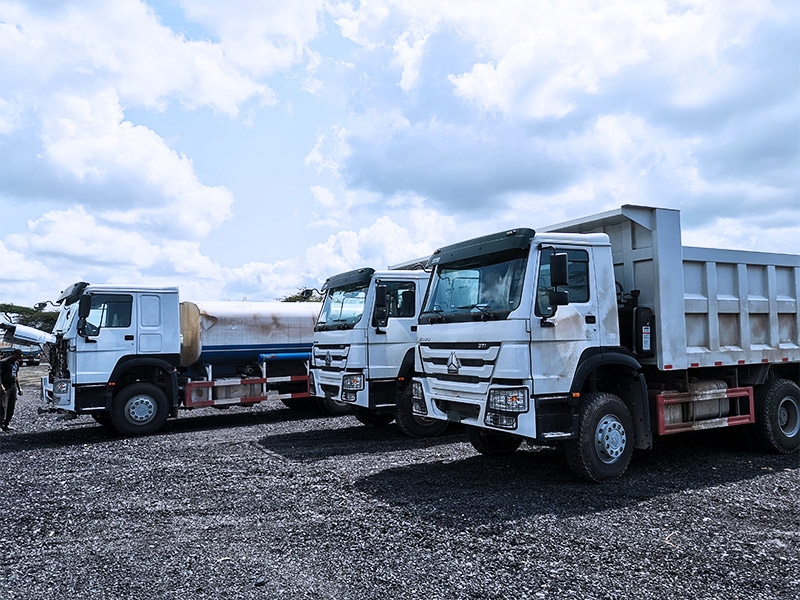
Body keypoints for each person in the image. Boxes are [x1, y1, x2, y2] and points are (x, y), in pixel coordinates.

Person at [0, 349, 23, 432]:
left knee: (11, 405)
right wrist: (1, 386)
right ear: (13, 354)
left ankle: (6, 424)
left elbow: (16, 376)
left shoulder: (16, 364)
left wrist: (19, 388)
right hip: (5, 385)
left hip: (13, 386)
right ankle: (0, 424)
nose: (18, 358)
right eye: (17, 356)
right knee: (3, 405)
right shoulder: (4, 362)